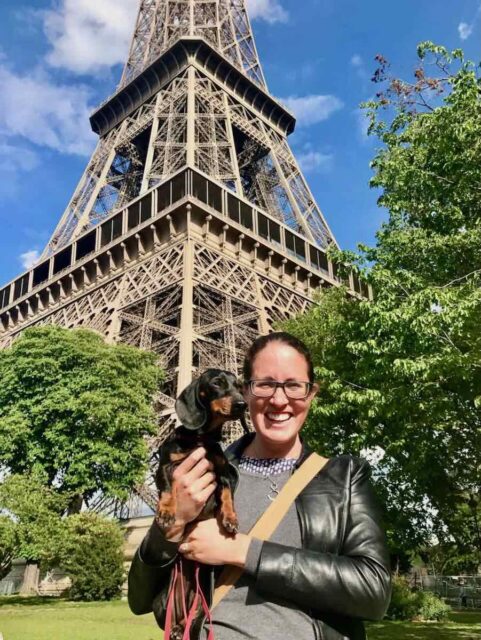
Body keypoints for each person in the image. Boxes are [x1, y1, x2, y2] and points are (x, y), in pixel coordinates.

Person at [128, 332, 391, 640]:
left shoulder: (344, 477)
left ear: (311, 394)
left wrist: (243, 550)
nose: (279, 400)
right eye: (265, 384)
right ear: (247, 394)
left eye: (294, 386)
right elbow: (140, 599)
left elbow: (373, 592)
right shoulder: (200, 473)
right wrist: (172, 524)